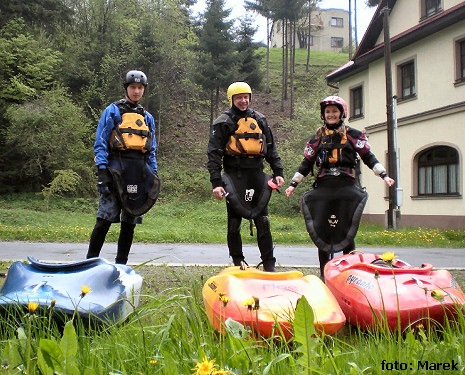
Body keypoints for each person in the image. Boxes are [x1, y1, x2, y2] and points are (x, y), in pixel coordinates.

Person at [285, 95, 395, 280]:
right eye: (327, 112)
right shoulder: (317, 138)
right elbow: (307, 163)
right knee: (322, 229)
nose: (331, 115)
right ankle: (324, 274)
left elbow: (368, 157)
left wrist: (384, 175)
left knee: (346, 229)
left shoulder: (353, 135)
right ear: (323, 114)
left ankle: (347, 274)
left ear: (342, 113)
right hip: (324, 187)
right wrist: (293, 184)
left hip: (346, 186)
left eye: (334, 111)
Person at [207, 82, 285, 272]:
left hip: (257, 175)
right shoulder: (223, 122)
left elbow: (271, 149)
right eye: (238, 97)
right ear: (231, 99)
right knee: (234, 222)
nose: (243, 101)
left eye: (246, 97)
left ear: (250, 98)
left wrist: (278, 172)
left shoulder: (259, 119)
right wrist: (216, 183)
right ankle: (238, 263)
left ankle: (269, 264)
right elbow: (214, 154)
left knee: (263, 221)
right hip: (234, 176)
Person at [86, 70, 160, 264]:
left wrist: (154, 173)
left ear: (143, 90)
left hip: (138, 173)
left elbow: (151, 149)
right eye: (133, 87)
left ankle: (121, 264)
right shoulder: (112, 111)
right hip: (114, 171)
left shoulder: (147, 117)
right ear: (127, 88)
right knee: (104, 219)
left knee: (130, 222)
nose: (136, 91)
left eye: (140, 88)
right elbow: (100, 142)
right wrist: (102, 172)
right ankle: (90, 262)